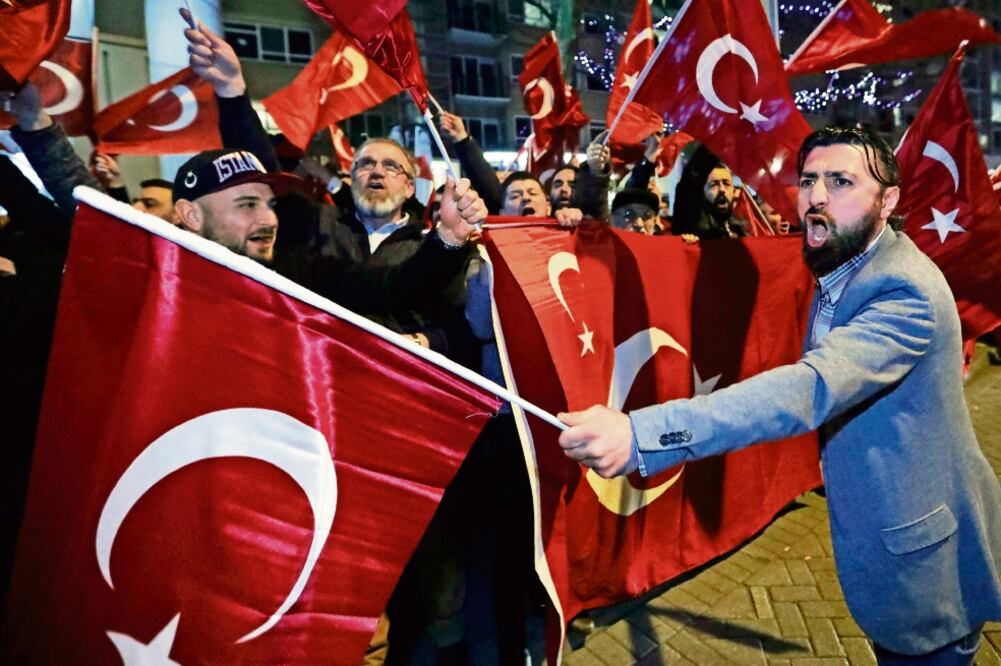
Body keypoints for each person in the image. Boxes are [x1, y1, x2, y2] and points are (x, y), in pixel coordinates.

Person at [556, 127, 1001, 663]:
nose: (816, 196)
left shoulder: (903, 290)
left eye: (841, 181)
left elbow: (808, 388)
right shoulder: (847, 260)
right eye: (809, 179)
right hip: (896, 542)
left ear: (888, 201)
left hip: (924, 565)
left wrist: (639, 434)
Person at [671, 145, 749, 240]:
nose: (722, 189)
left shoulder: (740, 227)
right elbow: (690, 180)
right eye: (714, 184)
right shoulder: (692, 219)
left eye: (726, 183)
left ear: (734, 190)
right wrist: (717, 141)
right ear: (703, 192)